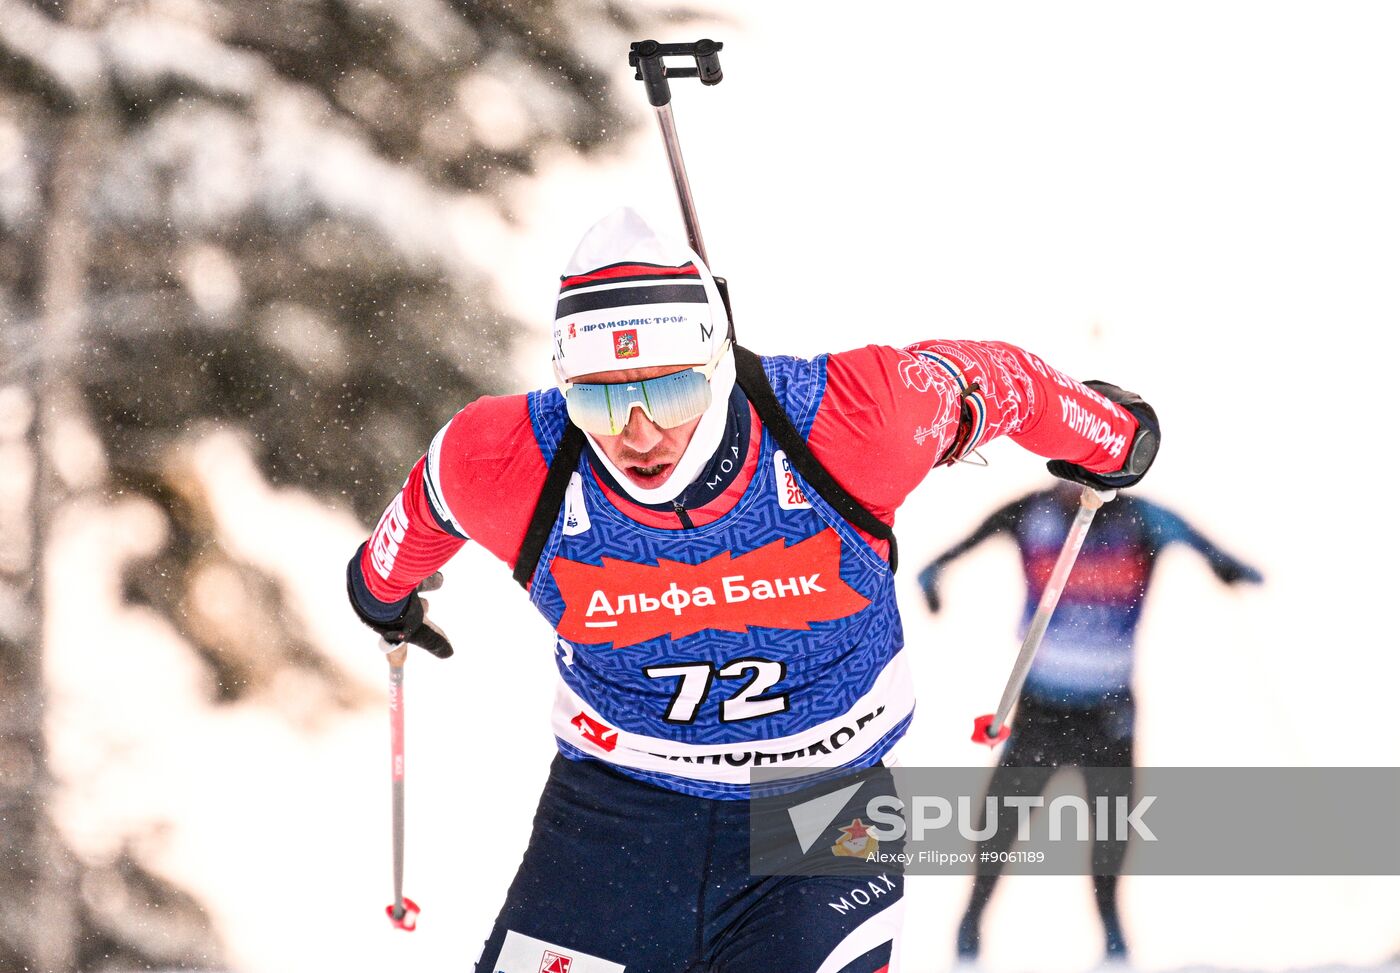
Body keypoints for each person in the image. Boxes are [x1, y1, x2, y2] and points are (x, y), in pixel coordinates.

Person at [345, 207, 1160, 973]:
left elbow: (1005, 382)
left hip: (821, 814)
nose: (638, 434)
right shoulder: (510, 458)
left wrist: (1109, 433)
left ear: (715, 359)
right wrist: (384, 597)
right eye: (600, 397)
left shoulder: (850, 421)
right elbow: (417, 517)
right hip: (614, 821)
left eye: (668, 392)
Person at [918, 480, 1262, 963]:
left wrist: (1229, 569)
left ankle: (1113, 938)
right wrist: (932, 583)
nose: (1077, 483)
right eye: (1069, 469)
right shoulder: (1031, 511)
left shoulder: (1143, 518)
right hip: (1042, 706)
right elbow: (947, 556)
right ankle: (969, 931)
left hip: (1108, 710)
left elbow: (1205, 547)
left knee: (1111, 825)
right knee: (1002, 819)